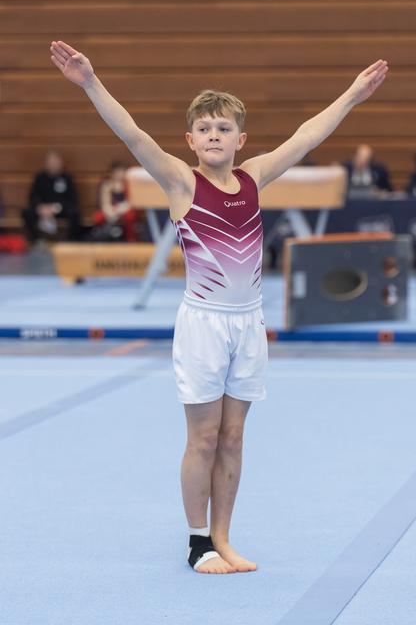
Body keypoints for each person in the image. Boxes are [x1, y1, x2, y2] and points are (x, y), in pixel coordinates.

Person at [50, 40, 388, 574]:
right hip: (204, 325)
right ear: (190, 139)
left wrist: (352, 94)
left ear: (240, 138)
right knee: (204, 437)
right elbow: (132, 135)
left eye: (223, 128)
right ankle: (196, 543)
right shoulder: (181, 181)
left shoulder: (254, 176)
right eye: (204, 128)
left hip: (248, 323)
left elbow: (306, 137)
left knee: (234, 436)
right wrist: (91, 82)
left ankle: (224, 538)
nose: (213, 135)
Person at [22, 150, 81, 243]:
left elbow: (72, 199)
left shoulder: (66, 177)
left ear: (61, 163)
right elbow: (33, 196)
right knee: (26, 212)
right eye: (51, 162)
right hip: (43, 209)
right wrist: (41, 207)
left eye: (55, 162)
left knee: (75, 213)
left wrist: (55, 208)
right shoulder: (40, 177)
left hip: (60, 209)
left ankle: (71, 241)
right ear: (46, 163)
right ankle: (36, 241)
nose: (53, 165)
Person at [91, 161, 140, 242]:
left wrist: (119, 211)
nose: (120, 175)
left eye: (122, 172)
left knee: (130, 216)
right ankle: (103, 238)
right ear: (112, 173)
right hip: (111, 209)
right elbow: (105, 203)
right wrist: (110, 212)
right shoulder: (107, 185)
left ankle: (130, 239)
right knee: (99, 217)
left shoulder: (128, 185)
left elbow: (131, 202)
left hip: (124, 209)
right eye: (118, 172)